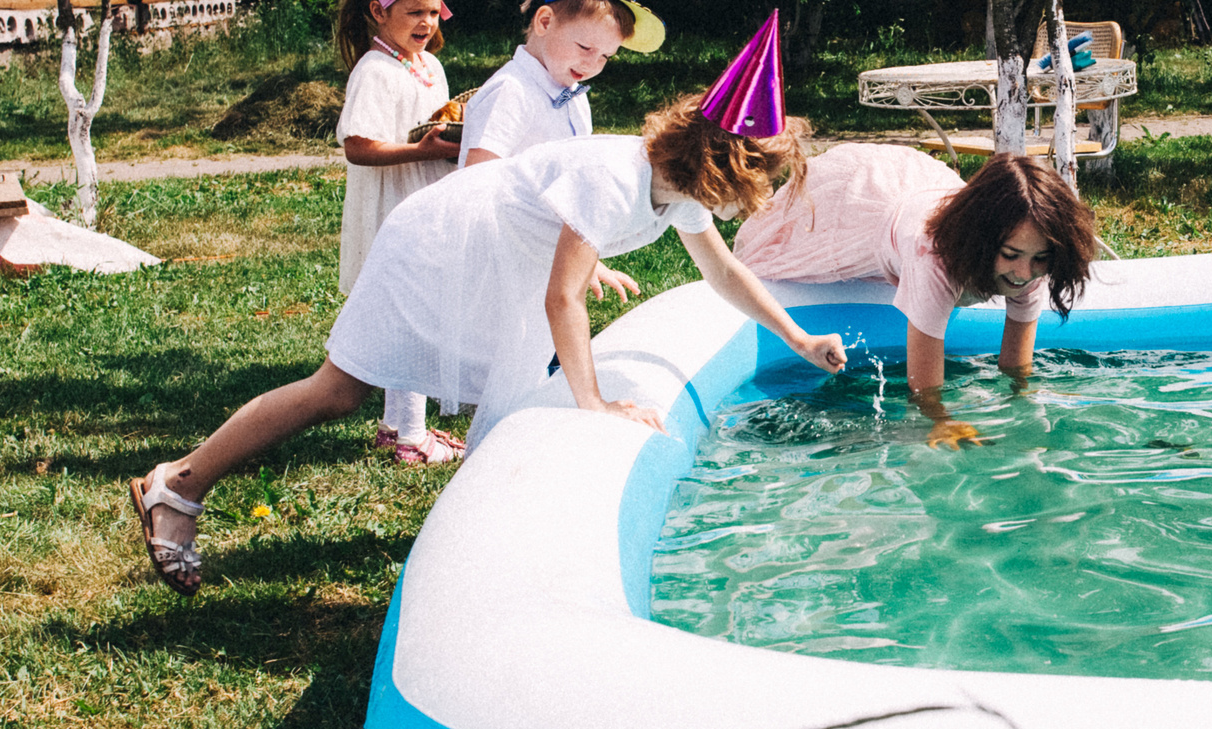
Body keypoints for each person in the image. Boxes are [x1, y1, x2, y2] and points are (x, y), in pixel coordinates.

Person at [127, 86, 845, 596]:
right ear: (726, 164)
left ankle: (479, 569)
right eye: (765, 176)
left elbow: (722, 270)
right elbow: (562, 297)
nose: (764, 192)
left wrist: (798, 336)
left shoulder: (677, 190)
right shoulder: (614, 177)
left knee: (501, 412)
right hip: (441, 246)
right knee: (337, 391)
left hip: (495, 262)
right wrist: (593, 402)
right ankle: (177, 484)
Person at [732, 145, 1097, 447]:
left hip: (919, 189)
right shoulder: (934, 256)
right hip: (861, 205)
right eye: (1011, 255)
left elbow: (1016, 364)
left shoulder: (1030, 254)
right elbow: (923, 387)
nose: (1024, 273)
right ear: (984, 241)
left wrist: (1025, 400)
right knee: (771, 260)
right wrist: (940, 420)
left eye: (1039, 259)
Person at [460, 0, 666, 305]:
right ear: (544, 21)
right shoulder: (512, 91)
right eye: (585, 47)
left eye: (605, 56)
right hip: (498, 261)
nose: (593, 64)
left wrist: (584, 258)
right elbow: (475, 185)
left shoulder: (572, 96)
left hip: (540, 259)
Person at [333, 0, 463, 464]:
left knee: (418, 312)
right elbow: (358, 146)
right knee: (413, 320)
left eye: (433, 11)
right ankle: (411, 437)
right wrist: (421, 152)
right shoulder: (375, 71)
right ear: (378, 11)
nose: (427, 23)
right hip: (395, 208)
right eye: (415, 12)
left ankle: (395, 425)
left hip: (427, 205)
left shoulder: (429, 66)